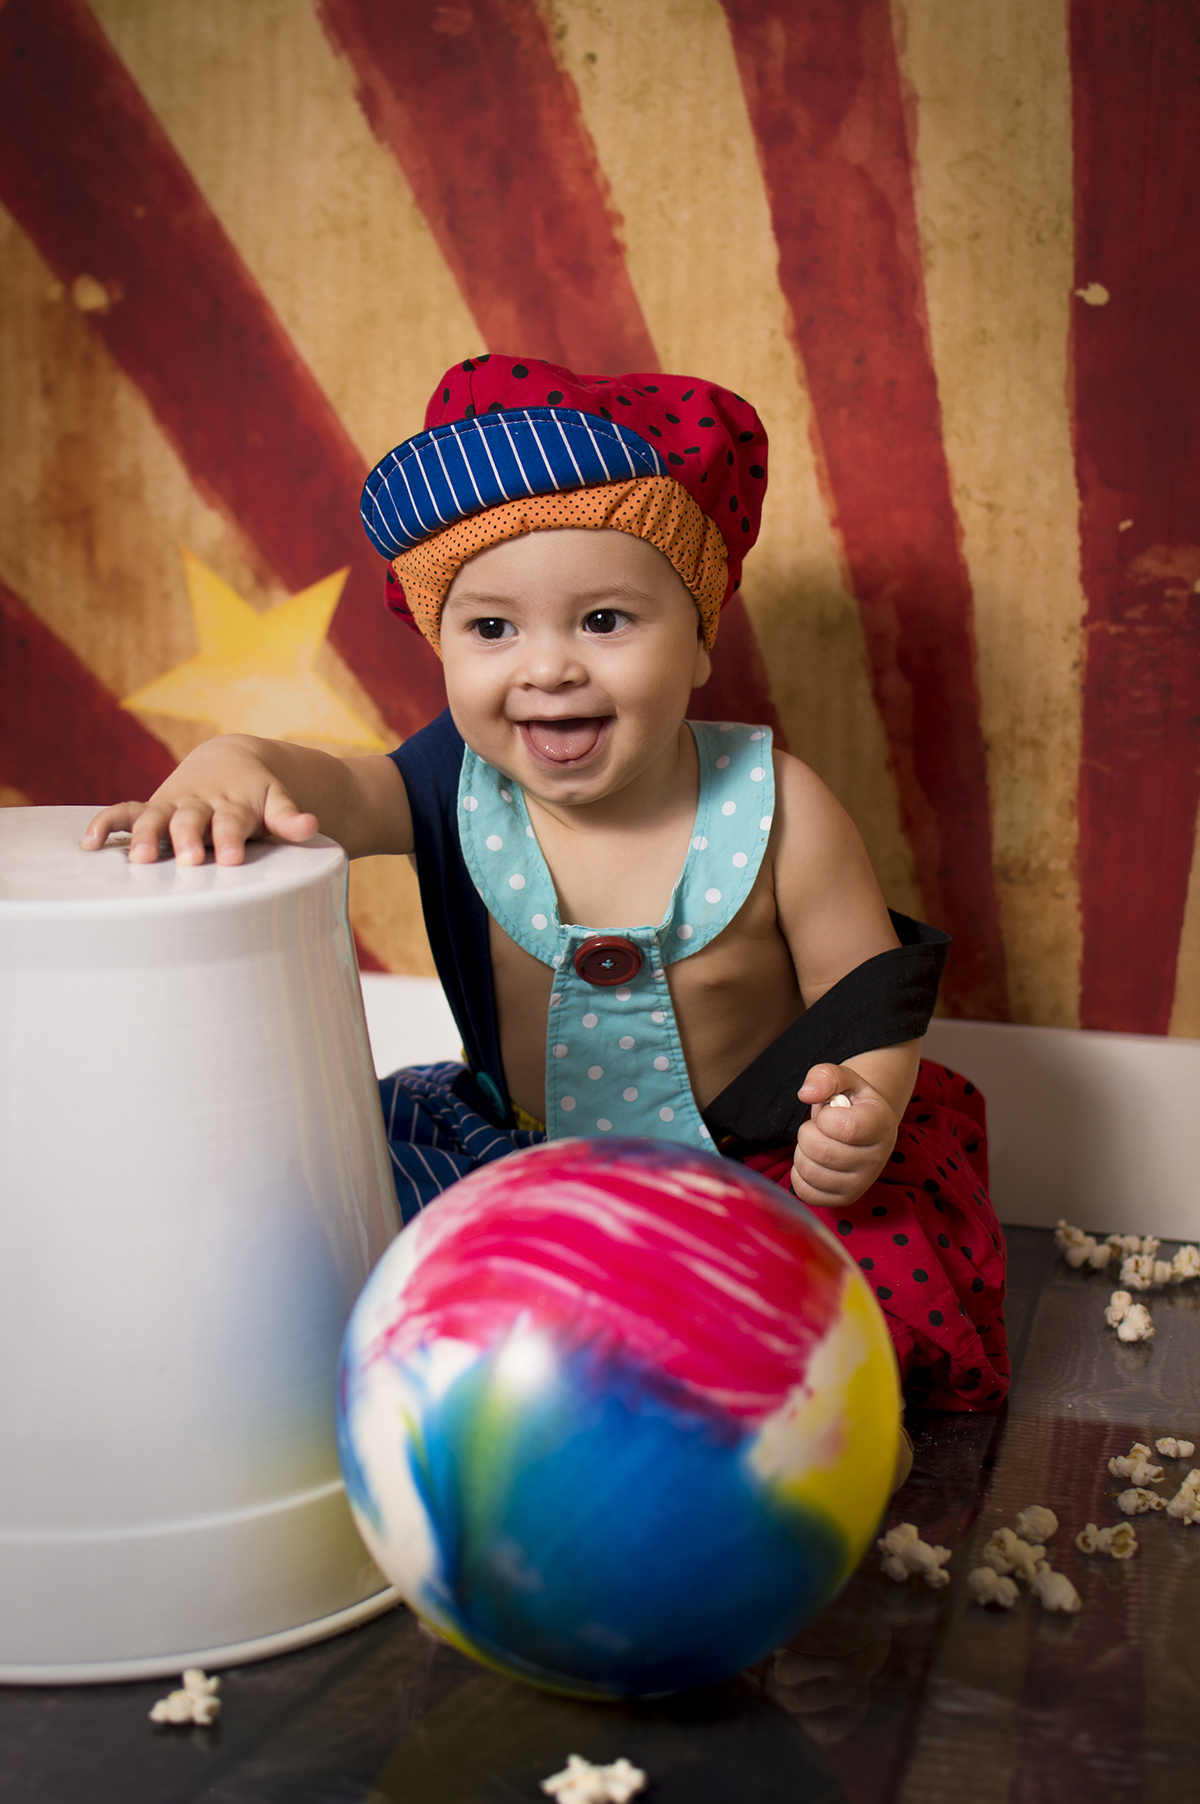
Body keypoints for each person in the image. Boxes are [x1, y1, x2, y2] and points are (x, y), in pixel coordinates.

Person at [84, 354, 1007, 1413]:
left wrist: (864, 1108)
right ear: (441, 643)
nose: (548, 666)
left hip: (749, 1157)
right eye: (491, 628)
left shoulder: (778, 806)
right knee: (343, 1239)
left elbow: (869, 990)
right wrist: (237, 760)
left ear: (701, 638)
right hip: (519, 1146)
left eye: (604, 621)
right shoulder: (446, 783)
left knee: (818, 1323)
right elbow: (331, 789)